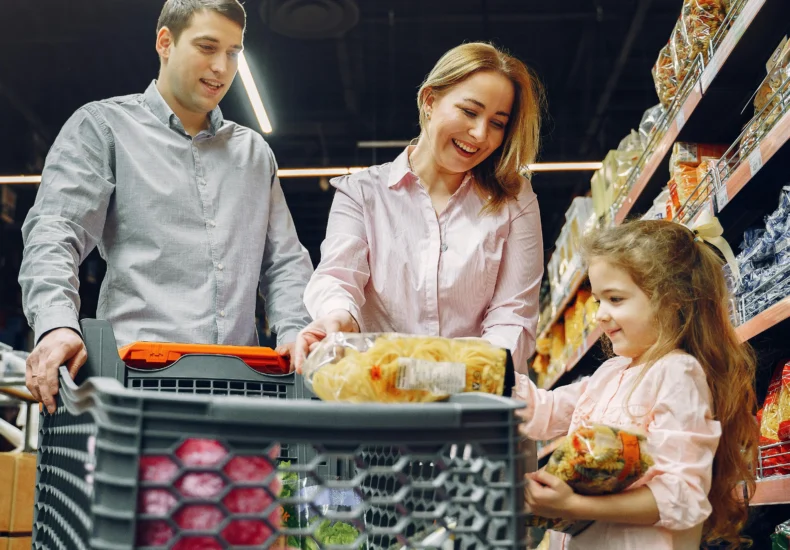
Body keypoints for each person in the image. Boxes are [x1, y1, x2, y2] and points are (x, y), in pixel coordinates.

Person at [19, 0, 313, 413]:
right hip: (135, 388)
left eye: (233, 53)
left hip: (243, 390)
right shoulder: (104, 128)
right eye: (207, 47)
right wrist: (56, 325)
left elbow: (284, 262)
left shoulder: (253, 153)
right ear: (165, 42)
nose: (222, 68)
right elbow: (55, 232)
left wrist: (296, 334)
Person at [294, 42, 545, 373]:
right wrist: (338, 319)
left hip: (475, 401)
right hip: (380, 393)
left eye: (498, 123)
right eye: (469, 111)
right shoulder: (362, 193)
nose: (481, 134)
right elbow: (339, 276)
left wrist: (454, 374)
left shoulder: (514, 200)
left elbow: (514, 314)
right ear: (430, 100)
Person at [516, 219, 758, 549]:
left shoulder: (677, 373)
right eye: (598, 301)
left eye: (615, 299)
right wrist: (480, 373)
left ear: (673, 301)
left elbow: (682, 495)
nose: (599, 315)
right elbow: (546, 412)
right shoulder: (610, 374)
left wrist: (573, 506)